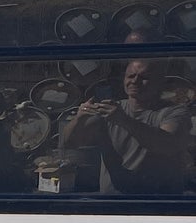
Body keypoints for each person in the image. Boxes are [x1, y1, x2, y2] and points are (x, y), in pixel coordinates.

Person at [63, 58, 193, 194]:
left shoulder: (175, 112)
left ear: (159, 82)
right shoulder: (109, 109)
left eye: (144, 77)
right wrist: (79, 119)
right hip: (114, 203)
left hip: (159, 202)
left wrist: (124, 120)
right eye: (131, 76)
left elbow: (167, 145)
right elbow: (69, 143)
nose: (135, 81)